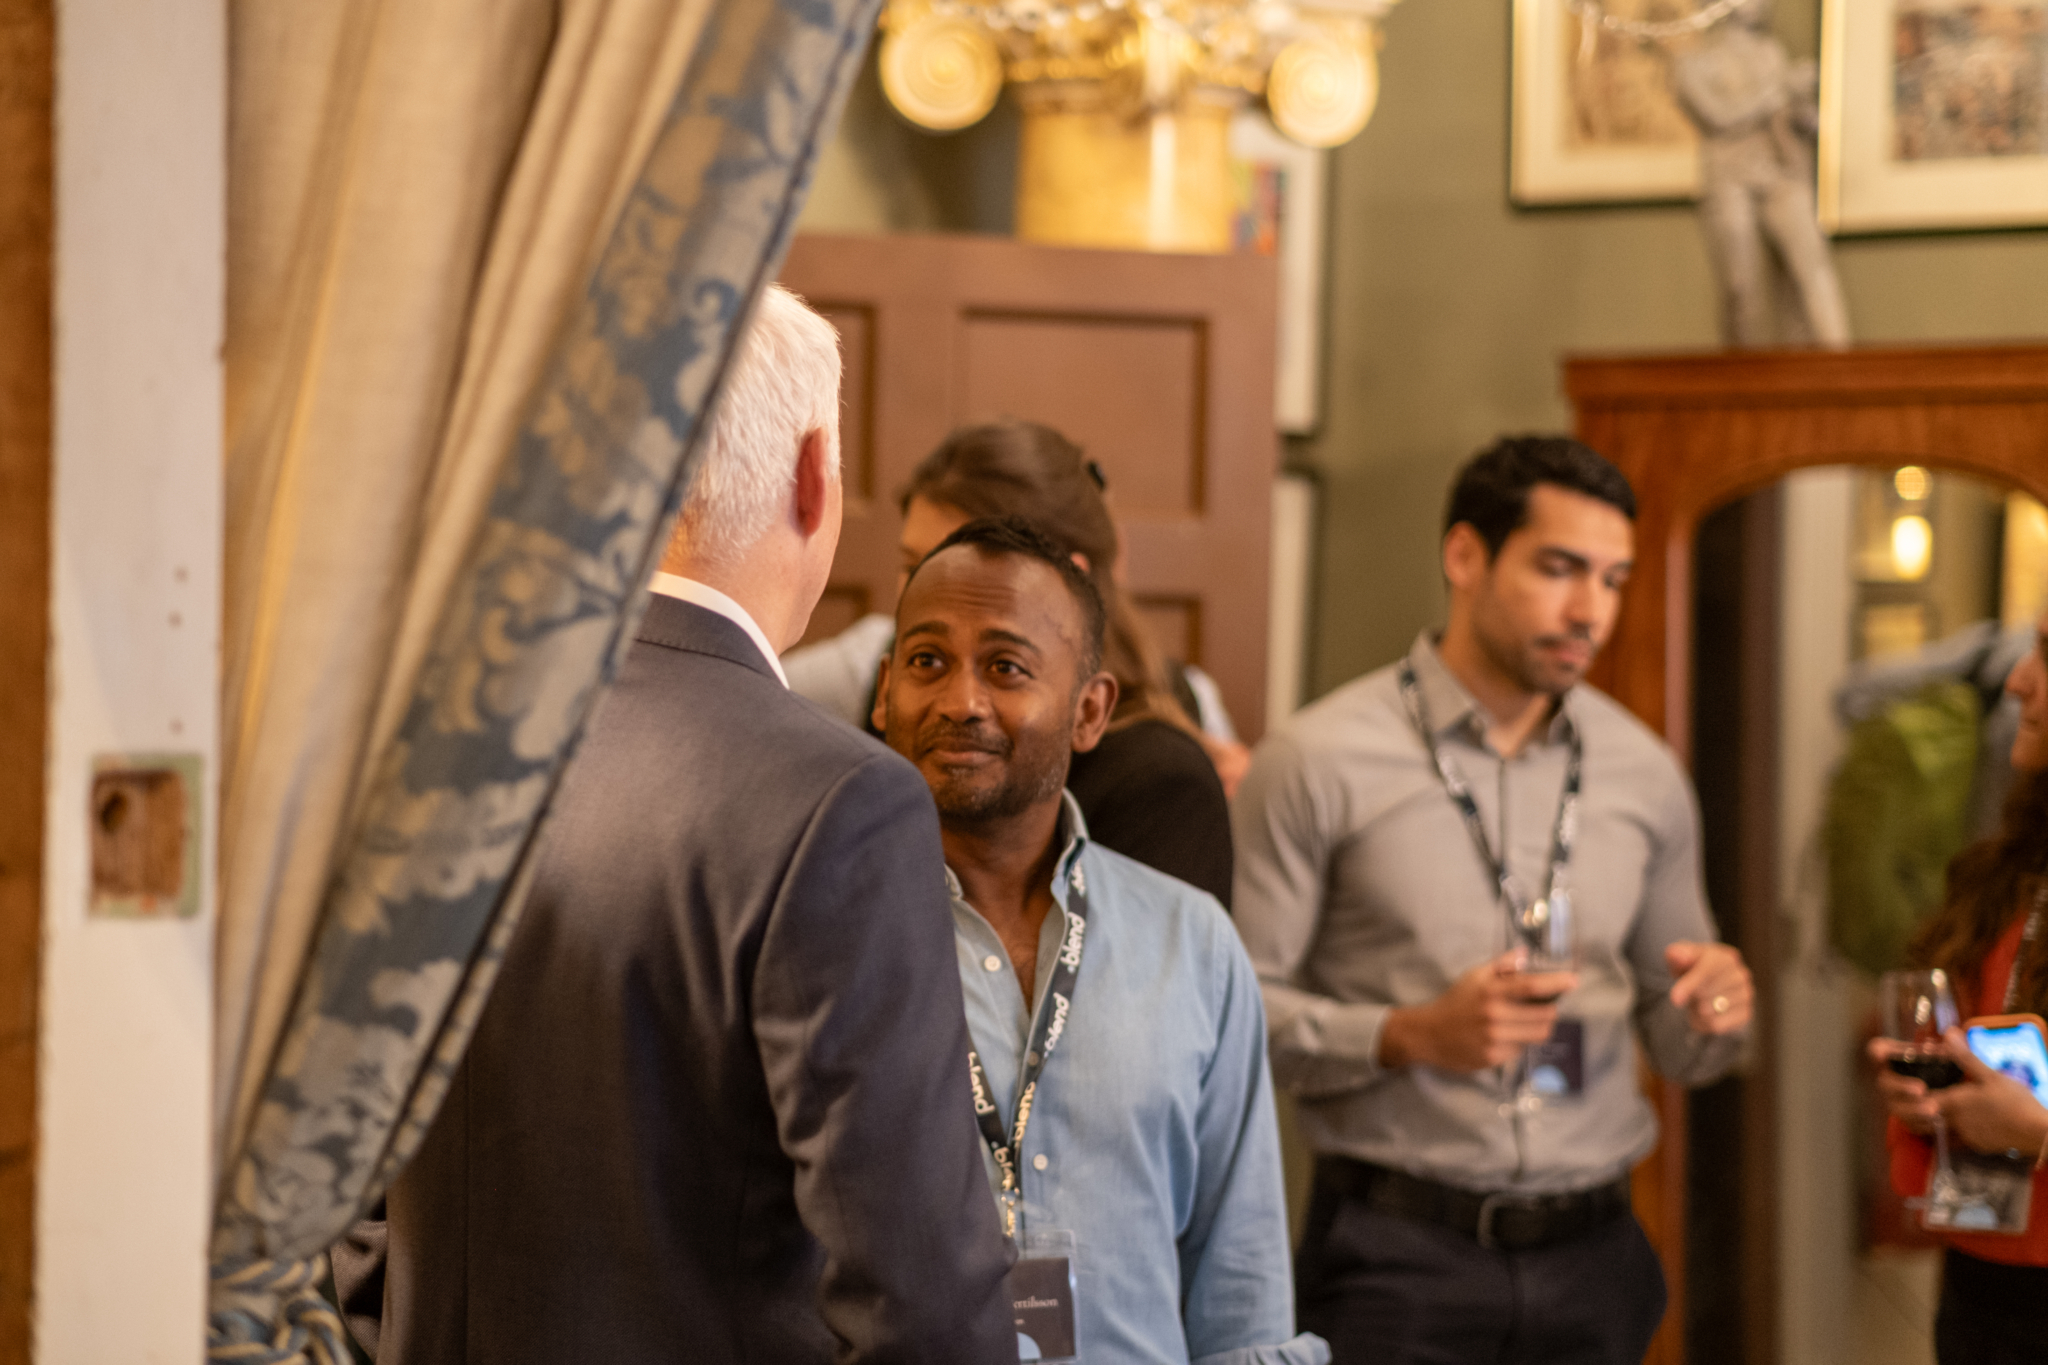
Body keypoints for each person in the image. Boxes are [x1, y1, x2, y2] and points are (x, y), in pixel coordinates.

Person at [329, 286, 1015, 1365]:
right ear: (811, 479)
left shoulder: (427, 755)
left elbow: (353, 1207)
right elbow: (920, 1300)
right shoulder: (839, 800)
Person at [1231, 436, 1755, 1364]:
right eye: (1560, 569)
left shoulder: (1645, 771)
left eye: (1613, 578)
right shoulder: (1317, 761)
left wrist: (1714, 1009)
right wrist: (1409, 1034)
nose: (1589, 609)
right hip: (1396, 1258)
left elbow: (1684, 1043)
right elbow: (1232, 1020)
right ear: (1465, 556)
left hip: (1598, 1256)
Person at [873, 515, 1326, 1365]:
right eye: (927, 661)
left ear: (1090, 711)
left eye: (1005, 667)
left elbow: (1241, 1282)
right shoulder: (820, 935)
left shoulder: (1191, 944)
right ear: (883, 693)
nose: (960, 700)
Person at [790, 419, 1240, 904]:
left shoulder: (1160, 779)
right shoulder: (879, 664)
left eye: (1006, 668)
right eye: (912, 564)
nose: (930, 590)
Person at [1874, 609, 2048, 1364]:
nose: (2016, 680)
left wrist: (2039, 1133)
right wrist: (1934, 1096)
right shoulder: (2009, 865)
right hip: (1983, 1282)